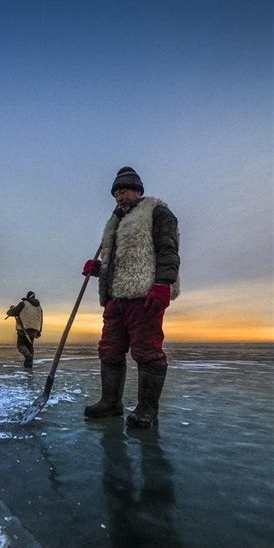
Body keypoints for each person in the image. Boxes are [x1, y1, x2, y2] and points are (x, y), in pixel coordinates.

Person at [82, 166, 180, 428]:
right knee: (110, 350)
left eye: (123, 191)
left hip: (144, 293)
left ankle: (147, 409)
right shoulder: (115, 223)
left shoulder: (157, 212)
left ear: (138, 190)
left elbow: (168, 250)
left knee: (147, 352)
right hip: (116, 297)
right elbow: (117, 262)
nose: (118, 198)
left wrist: (163, 284)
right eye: (115, 194)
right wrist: (98, 269)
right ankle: (111, 403)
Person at [6, 291, 43, 368]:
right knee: (29, 346)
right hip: (34, 330)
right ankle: (28, 365)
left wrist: (10, 311)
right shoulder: (39, 307)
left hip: (24, 329)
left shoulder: (23, 303)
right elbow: (41, 319)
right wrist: (39, 331)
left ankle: (28, 356)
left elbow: (14, 312)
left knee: (20, 345)